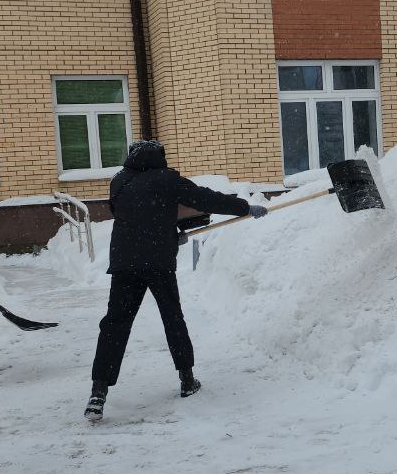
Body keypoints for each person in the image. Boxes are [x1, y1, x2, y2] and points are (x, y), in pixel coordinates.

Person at [86, 140, 268, 421]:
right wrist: (244, 207)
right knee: (172, 317)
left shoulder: (119, 181)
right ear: (159, 157)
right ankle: (187, 379)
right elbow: (205, 199)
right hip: (157, 262)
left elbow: (133, 213)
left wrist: (171, 229)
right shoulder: (166, 179)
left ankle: (98, 391)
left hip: (125, 263)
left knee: (115, 324)